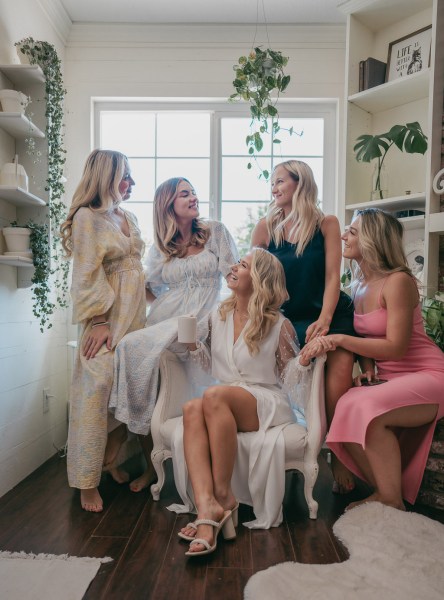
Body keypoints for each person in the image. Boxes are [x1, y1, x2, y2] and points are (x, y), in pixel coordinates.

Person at [170, 248, 318, 556]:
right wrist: (192, 346)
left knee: (212, 396)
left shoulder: (279, 324)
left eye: (244, 265)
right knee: (191, 408)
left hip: (264, 398)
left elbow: (288, 378)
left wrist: (302, 362)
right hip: (225, 396)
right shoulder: (217, 315)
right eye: (238, 262)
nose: (234, 267)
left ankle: (223, 497)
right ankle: (207, 507)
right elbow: (212, 366)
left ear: (260, 279)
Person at [301, 208, 444, 511]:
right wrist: (367, 370)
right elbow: (366, 338)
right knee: (345, 405)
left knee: (366, 407)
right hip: (390, 377)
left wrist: (337, 339)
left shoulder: (398, 282)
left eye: (352, 232)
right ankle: (385, 492)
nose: (343, 236)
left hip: (427, 372)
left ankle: (389, 498)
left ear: (372, 240)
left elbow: (396, 347)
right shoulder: (357, 285)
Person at [109, 177, 239, 492]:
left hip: (206, 313)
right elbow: (150, 288)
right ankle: (148, 458)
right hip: (168, 315)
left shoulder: (215, 232)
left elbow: (234, 276)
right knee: (131, 349)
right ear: (168, 204)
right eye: (185, 193)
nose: (194, 196)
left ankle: (200, 464)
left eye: (194, 191)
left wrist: (231, 315)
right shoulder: (162, 248)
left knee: (161, 346)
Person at [251, 160, 356, 493]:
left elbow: (331, 278)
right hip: (287, 321)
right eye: (272, 182)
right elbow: (256, 283)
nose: (274, 187)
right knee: (291, 386)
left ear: (300, 183)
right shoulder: (265, 228)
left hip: (330, 313)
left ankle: (338, 455)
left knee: (336, 388)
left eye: (280, 180)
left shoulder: (327, 224)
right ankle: (289, 449)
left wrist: (325, 320)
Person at [60, 149, 146, 512]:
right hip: (107, 319)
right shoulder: (87, 217)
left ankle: (110, 460)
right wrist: (97, 321)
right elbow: (85, 272)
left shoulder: (127, 216)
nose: (132, 183)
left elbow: (136, 270)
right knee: (95, 392)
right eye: (125, 176)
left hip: (136, 319)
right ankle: (86, 481)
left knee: (129, 388)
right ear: (106, 177)